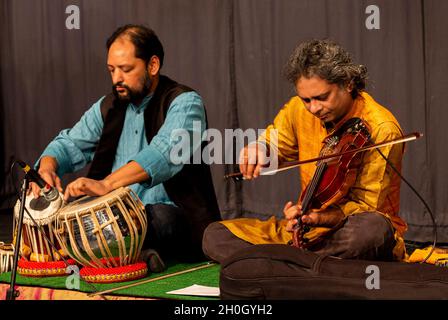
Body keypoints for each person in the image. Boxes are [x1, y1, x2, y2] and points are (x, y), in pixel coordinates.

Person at [30, 24, 221, 269]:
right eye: (111, 70)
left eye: (126, 69)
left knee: (161, 218)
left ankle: (115, 253)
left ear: (152, 65)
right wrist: (48, 165)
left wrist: (106, 184)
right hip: (115, 220)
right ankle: (133, 256)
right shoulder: (108, 106)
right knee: (71, 219)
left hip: (173, 218)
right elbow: (69, 143)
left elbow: (164, 153)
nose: (117, 78)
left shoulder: (185, 102)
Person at [203, 39, 407, 264]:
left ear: (348, 83)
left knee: (372, 232)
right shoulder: (299, 110)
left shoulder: (381, 128)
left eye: (322, 98)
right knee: (215, 235)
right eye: (306, 100)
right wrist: (260, 148)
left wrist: (319, 218)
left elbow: (368, 208)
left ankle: (279, 263)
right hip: (305, 232)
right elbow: (275, 142)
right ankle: (300, 263)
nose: (313, 108)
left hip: (345, 230)